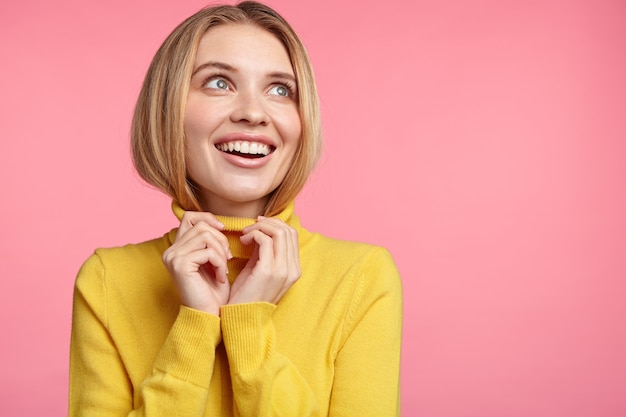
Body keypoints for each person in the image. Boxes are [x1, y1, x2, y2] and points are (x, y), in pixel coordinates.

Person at [68, 1, 403, 416]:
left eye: (281, 90)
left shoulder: (362, 278)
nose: (252, 113)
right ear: (168, 108)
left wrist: (248, 326)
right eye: (218, 83)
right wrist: (194, 327)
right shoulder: (107, 280)